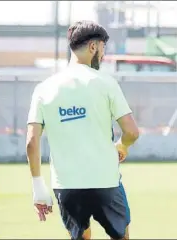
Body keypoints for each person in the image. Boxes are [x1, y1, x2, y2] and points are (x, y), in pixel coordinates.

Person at [26, 20, 139, 240]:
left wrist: (38, 187)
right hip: (106, 182)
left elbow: (32, 141)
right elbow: (132, 132)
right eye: (103, 49)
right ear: (93, 47)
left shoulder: (44, 88)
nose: (103, 55)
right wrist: (122, 146)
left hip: (66, 185)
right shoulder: (105, 82)